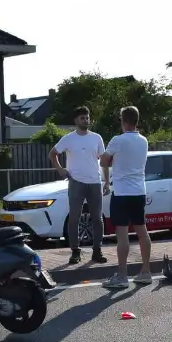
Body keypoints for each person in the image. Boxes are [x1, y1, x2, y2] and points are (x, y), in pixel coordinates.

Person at [100, 106, 152, 289]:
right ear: (136, 121)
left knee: (122, 235)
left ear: (123, 121)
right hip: (139, 191)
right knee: (142, 231)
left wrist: (113, 159)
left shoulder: (117, 140)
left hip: (122, 192)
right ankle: (145, 271)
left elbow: (103, 161)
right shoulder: (143, 140)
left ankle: (122, 275)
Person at [49, 106, 107, 265]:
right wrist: (60, 169)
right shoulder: (68, 138)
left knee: (97, 218)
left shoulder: (97, 138)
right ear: (76, 120)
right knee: (74, 218)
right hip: (76, 182)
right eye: (82, 118)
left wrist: (107, 181)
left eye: (87, 117)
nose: (86, 120)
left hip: (95, 182)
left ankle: (97, 251)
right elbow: (52, 153)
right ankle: (75, 251)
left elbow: (103, 161)